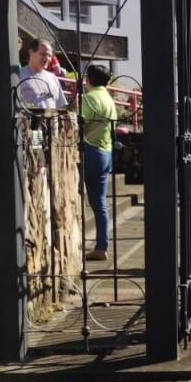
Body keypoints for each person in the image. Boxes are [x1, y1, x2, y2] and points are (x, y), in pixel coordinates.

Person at [77, 65, 119, 261]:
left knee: (74, 197)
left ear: (89, 79)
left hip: (90, 151)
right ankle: (102, 246)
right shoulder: (109, 99)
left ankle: (75, 243)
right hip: (106, 152)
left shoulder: (90, 98)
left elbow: (77, 122)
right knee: (100, 203)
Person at [16, 39, 65, 114]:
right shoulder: (19, 76)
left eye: (49, 55)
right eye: (43, 54)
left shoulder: (53, 78)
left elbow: (60, 106)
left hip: (52, 124)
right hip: (29, 124)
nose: (47, 59)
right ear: (31, 52)